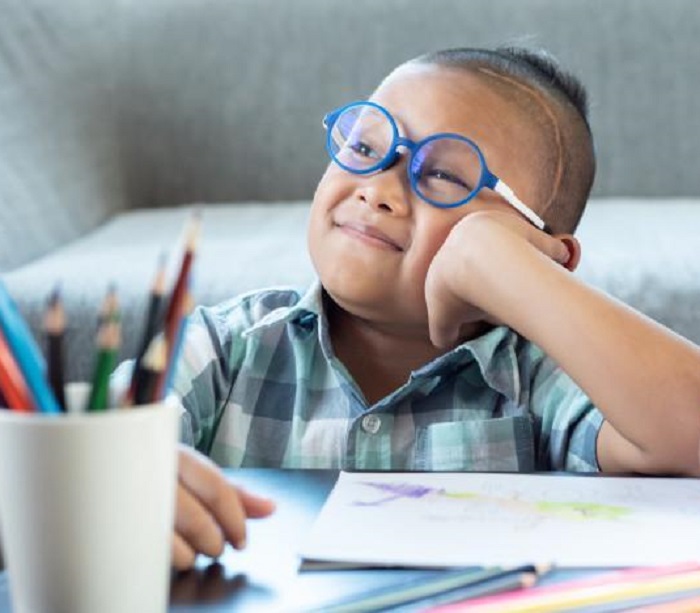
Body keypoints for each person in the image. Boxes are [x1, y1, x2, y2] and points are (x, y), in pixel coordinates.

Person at [150, 46, 700, 569]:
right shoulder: (221, 347)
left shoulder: (538, 382)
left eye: (443, 175)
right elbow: (110, 440)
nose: (376, 189)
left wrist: (503, 264)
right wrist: (134, 473)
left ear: (543, 252)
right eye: (364, 148)